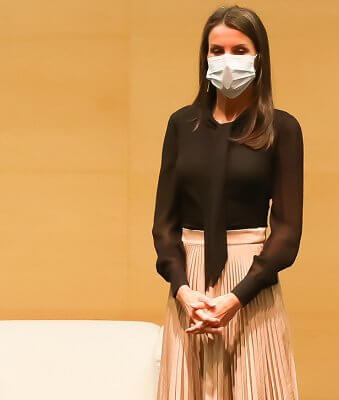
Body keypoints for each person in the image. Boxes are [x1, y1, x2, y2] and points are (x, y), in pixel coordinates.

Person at [152, 6, 302, 399]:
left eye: (239, 50)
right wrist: (184, 291)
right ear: (204, 57)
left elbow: (287, 232)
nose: (227, 60)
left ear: (258, 57)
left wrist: (236, 298)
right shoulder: (181, 125)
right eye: (216, 51)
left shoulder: (282, 128)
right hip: (190, 289)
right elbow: (164, 225)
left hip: (251, 285)